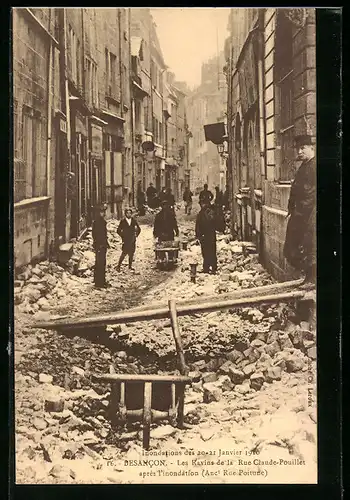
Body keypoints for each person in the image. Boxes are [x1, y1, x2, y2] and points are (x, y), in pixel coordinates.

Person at [283, 135, 316, 285]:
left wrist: (299, 213)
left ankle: (312, 278)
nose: (299, 151)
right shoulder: (304, 166)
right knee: (290, 249)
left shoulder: (314, 166)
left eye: (303, 148)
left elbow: (310, 194)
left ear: (311, 147)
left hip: (309, 213)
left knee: (308, 246)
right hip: (299, 212)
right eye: (298, 149)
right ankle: (309, 276)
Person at [195, 201, 217, 274]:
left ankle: (213, 267)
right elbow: (197, 226)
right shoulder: (200, 214)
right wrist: (198, 236)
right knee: (205, 252)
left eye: (203, 204)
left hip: (210, 235)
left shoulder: (211, 213)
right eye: (201, 204)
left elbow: (214, 222)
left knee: (212, 251)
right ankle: (206, 267)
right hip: (204, 236)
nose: (202, 205)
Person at [92, 203, 109, 288]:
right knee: (100, 263)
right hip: (99, 245)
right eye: (102, 212)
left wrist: (106, 243)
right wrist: (99, 244)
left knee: (102, 263)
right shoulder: (97, 222)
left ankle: (101, 281)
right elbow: (95, 235)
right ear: (99, 213)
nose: (104, 213)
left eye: (104, 212)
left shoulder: (102, 221)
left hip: (102, 245)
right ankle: (99, 283)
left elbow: (104, 234)